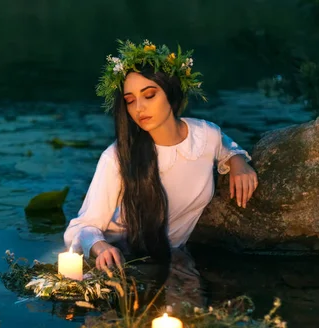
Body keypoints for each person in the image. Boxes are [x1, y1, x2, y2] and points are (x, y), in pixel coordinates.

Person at [64, 39, 258, 273]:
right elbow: (81, 227)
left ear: (171, 93)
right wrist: (101, 246)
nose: (139, 108)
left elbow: (227, 147)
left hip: (171, 258)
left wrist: (238, 162)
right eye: (130, 100)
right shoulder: (117, 156)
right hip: (120, 261)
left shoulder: (206, 135)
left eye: (149, 95)